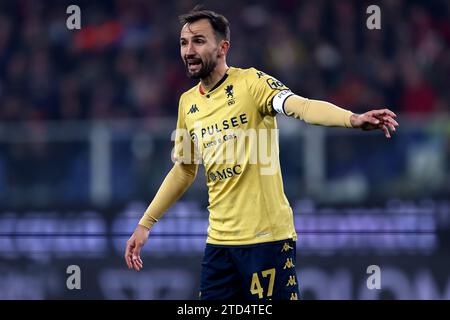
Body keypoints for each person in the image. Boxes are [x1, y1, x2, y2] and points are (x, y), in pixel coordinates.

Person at [124, 7, 399, 300]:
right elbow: (185, 168)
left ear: (222, 47)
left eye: (199, 41)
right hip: (219, 245)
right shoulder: (187, 104)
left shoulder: (252, 83)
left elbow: (301, 106)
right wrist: (145, 223)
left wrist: (352, 119)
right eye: (183, 43)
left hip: (267, 241)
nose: (189, 50)